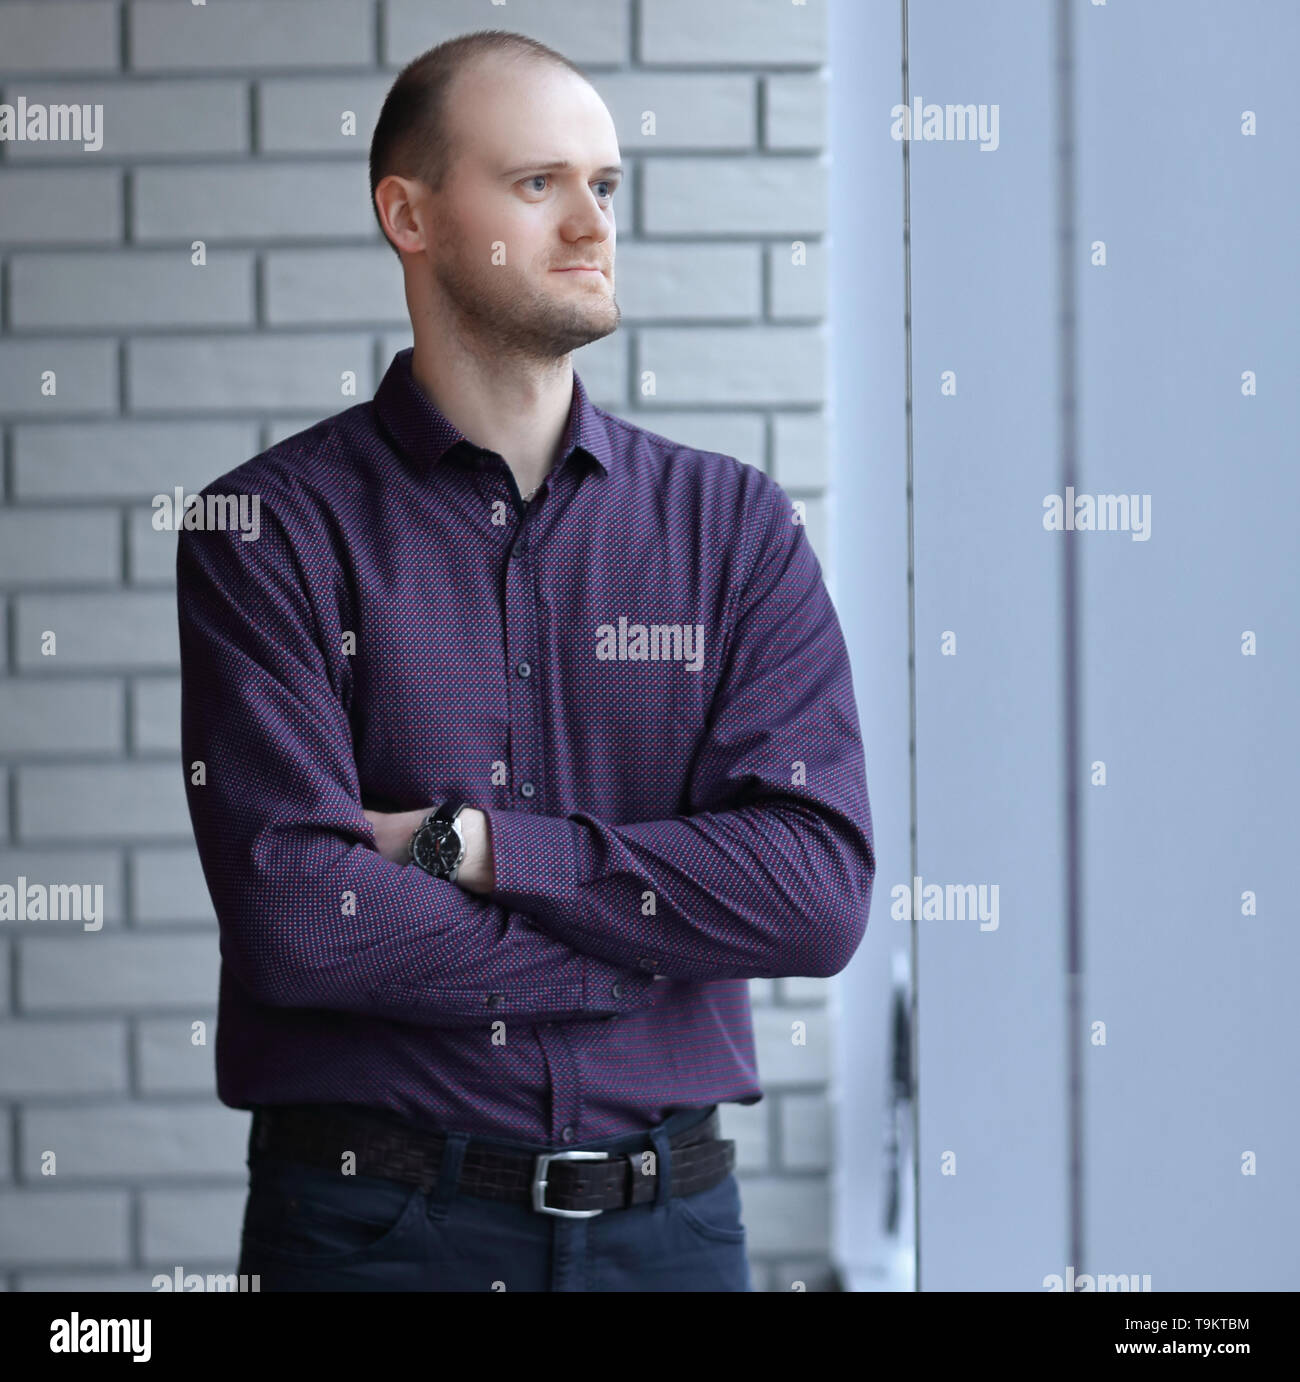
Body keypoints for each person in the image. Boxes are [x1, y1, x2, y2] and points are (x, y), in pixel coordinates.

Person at [176, 28, 875, 1293]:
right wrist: (656, 941)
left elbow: (817, 894)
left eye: (604, 187)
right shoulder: (266, 532)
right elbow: (304, 921)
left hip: (671, 1232)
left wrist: (476, 848)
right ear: (411, 213)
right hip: (374, 1232)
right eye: (537, 183)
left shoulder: (734, 530)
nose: (590, 223)